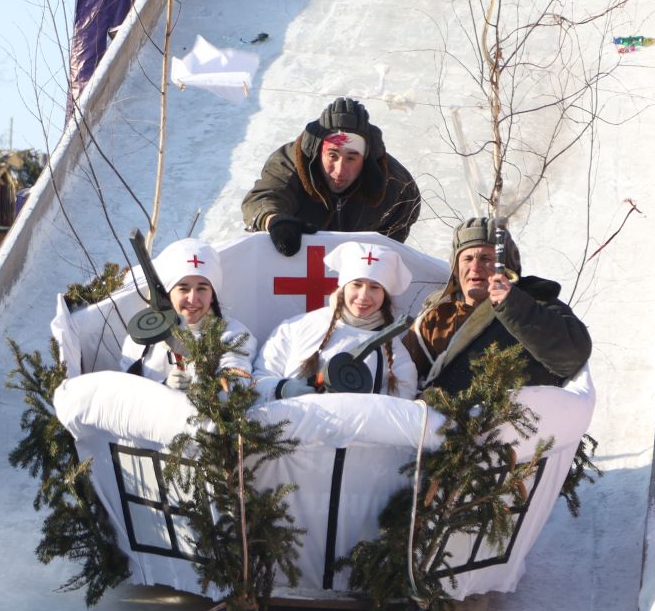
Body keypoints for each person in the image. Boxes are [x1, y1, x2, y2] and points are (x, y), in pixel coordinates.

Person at [407, 218, 592, 393]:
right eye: (467, 259)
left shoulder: (534, 302)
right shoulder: (436, 315)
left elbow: (572, 356)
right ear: (456, 267)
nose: (475, 267)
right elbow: (400, 376)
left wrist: (512, 305)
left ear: (507, 267)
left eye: (486, 258)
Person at [242, 97, 422, 254]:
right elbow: (263, 199)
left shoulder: (397, 186)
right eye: (332, 156)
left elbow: (394, 240)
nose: (340, 171)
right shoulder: (290, 164)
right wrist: (274, 221)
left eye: (351, 158)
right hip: (293, 261)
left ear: (366, 158)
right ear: (318, 152)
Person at [255, 239, 418, 399]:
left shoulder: (395, 352)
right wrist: (281, 389)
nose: (363, 296)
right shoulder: (296, 327)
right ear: (343, 287)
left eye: (375, 287)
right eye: (356, 284)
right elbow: (257, 380)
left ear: (385, 294)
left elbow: (401, 405)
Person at [119, 237, 253, 389]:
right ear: (168, 293)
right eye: (183, 288)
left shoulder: (234, 335)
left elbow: (235, 389)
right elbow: (126, 395)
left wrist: (192, 354)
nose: (193, 298)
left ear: (212, 295)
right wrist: (164, 388)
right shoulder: (141, 338)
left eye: (202, 288)